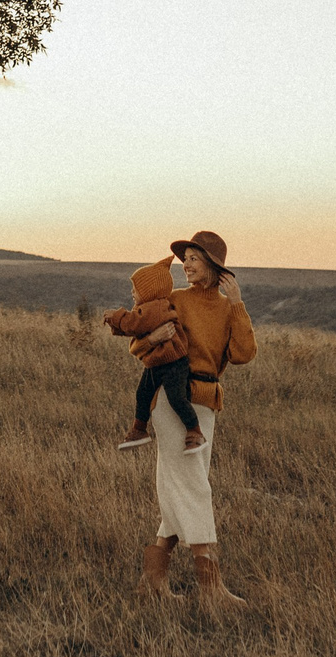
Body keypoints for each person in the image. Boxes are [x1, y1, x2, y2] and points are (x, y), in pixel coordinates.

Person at [133, 231, 257, 609]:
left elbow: (243, 353)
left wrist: (237, 304)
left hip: (205, 402)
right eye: (184, 258)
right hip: (172, 402)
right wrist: (154, 335)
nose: (185, 265)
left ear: (214, 267)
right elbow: (138, 345)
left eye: (193, 259)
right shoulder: (175, 300)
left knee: (182, 487)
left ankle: (152, 584)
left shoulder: (225, 307)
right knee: (194, 487)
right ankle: (211, 589)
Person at [104, 261, 204, 451]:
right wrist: (116, 325)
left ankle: (195, 431)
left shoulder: (156, 308)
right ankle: (139, 429)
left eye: (136, 289)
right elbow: (134, 328)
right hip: (157, 363)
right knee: (143, 393)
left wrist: (115, 316)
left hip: (174, 363)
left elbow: (135, 325)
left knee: (177, 397)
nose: (132, 293)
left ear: (150, 291)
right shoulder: (146, 310)